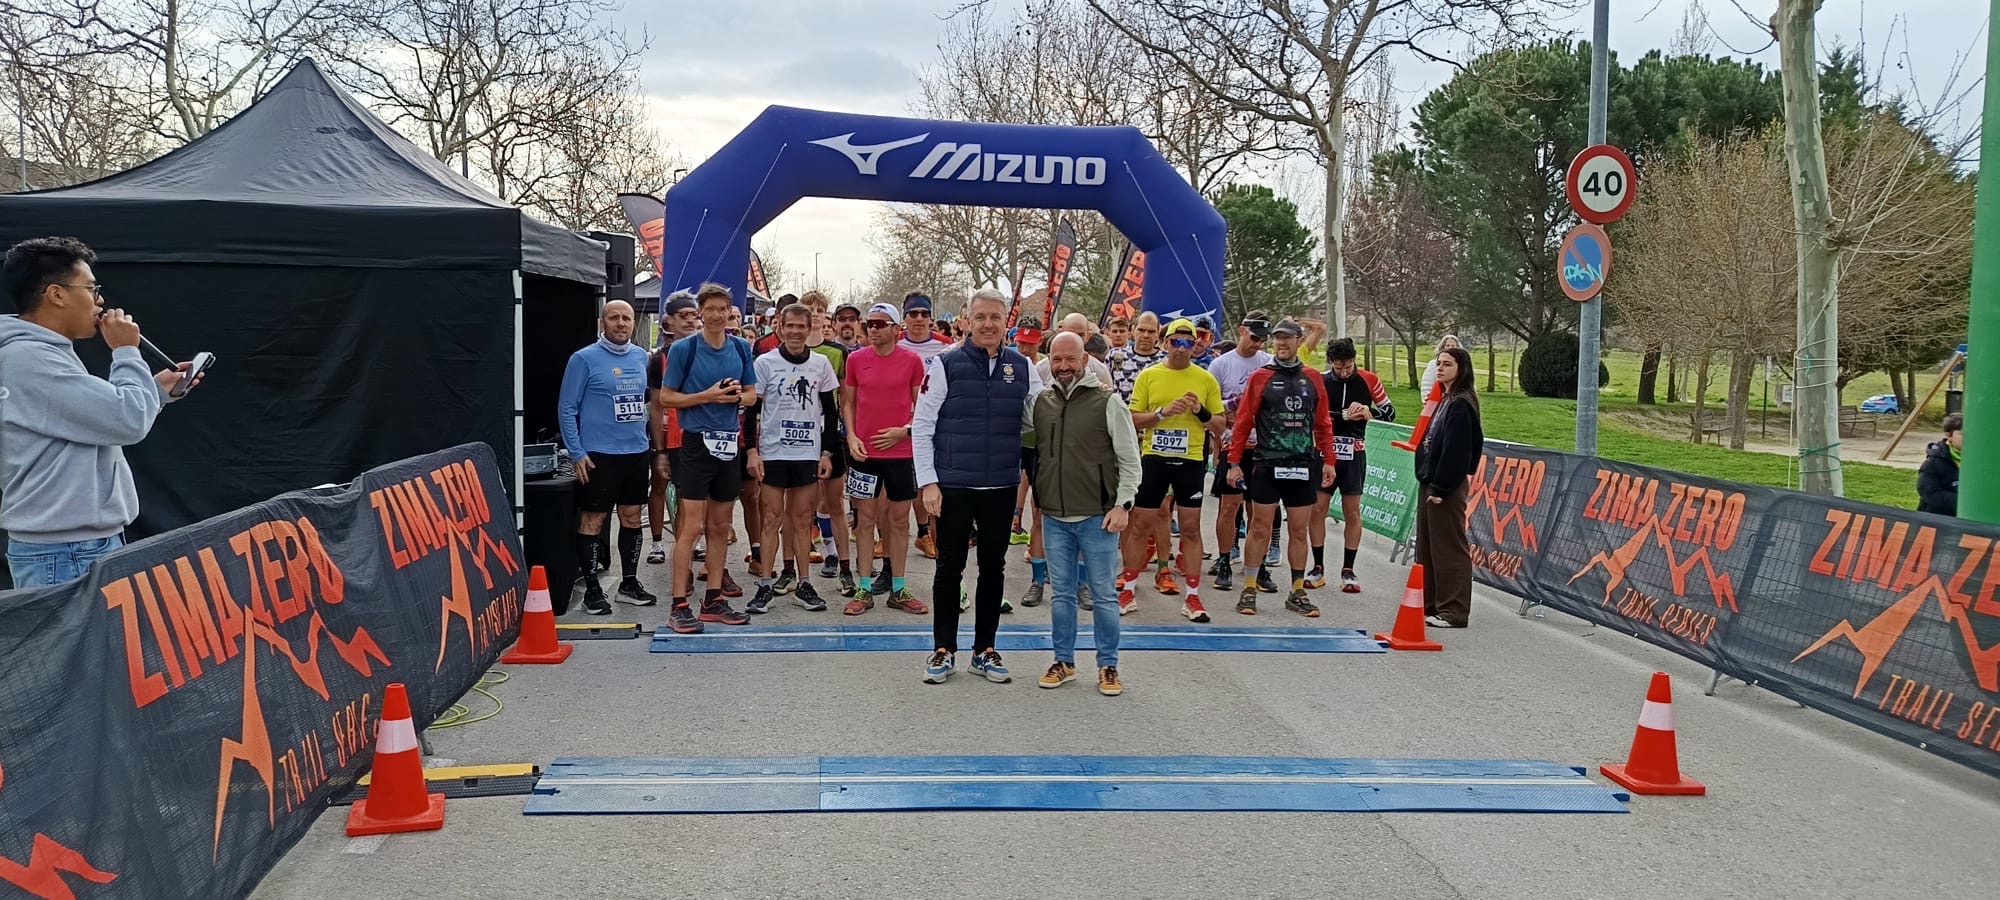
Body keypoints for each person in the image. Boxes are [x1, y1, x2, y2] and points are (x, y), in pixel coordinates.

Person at [0, 237, 198, 588]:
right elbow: (127, 421)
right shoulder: (30, 359)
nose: (100, 301)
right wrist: (125, 352)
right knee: (77, 646)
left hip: (71, 544)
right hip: (66, 549)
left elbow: (95, 418)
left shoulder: (38, 354)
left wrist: (153, 391)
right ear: (57, 294)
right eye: (91, 288)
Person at [913, 288, 1043, 684]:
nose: (989, 324)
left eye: (996, 318)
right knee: (949, 569)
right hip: (953, 484)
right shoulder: (945, 364)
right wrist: (928, 482)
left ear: (1007, 323)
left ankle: (985, 649)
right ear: (968, 321)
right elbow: (922, 425)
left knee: (993, 569)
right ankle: (943, 649)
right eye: (981, 317)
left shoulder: (1022, 367)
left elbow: (1045, 416)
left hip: (1001, 484)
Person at [1030, 332, 1140, 696]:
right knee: (1061, 595)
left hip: (1098, 517)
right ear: (1049, 360)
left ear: (1085, 361)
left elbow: (1129, 460)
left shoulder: (1108, 403)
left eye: (1070, 359)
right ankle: (1064, 661)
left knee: (1105, 595)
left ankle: (1108, 665)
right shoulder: (1041, 403)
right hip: (1055, 517)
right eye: (1057, 359)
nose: (1063, 366)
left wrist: (1123, 504)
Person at [659, 283, 761, 632]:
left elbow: (751, 394)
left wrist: (734, 398)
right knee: (692, 526)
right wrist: (707, 397)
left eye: (723, 309)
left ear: (732, 313)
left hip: (728, 444)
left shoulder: (741, 347)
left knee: (720, 525)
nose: (717, 315)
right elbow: (667, 398)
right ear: (700, 313)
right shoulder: (685, 349)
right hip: (696, 444)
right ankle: (679, 605)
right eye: (710, 309)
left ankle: (714, 599)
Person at [1225, 319, 1336, 617]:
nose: (1282, 344)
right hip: (1267, 463)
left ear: (1299, 340)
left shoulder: (1313, 377)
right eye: (1277, 339)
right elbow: (1243, 422)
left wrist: (1329, 461)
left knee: (1299, 530)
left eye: (1287, 339)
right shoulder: (1261, 377)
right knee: (1259, 528)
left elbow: (1324, 423)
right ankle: (1249, 589)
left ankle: (1297, 591)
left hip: (1302, 465)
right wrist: (1234, 463)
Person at [555, 299, 660, 615]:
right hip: (599, 455)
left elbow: (650, 403)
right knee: (594, 520)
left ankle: (629, 583)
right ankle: (592, 590)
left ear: (632, 323)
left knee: (631, 518)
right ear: (603, 322)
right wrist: (577, 452)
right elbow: (567, 407)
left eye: (626, 318)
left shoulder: (643, 357)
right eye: (613, 317)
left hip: (636, 452)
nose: (620, 323)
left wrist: (655, 447)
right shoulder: (583, 359)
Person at [1118, 318, 1224, 622]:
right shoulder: (1149, 376)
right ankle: (1128, 588)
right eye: (1175, 341)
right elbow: (1133, 418)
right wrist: (1162, 413)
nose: (1181, 347)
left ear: (1195, 345)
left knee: (1190, 528)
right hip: (1154, 458)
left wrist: (1199, 411)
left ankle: (1192, 597)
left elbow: (1219, 425)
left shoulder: (1205, 380)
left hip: (1190, 461)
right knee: (1140, 525)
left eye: (1187, 342)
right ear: (1165, 343)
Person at [744, 303, 840, 614]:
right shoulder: (764, 363)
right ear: (780, 328)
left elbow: (831, 412)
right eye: (791, 326)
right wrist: (752, 451)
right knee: (771, 519)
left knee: (801, 521)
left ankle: (803, 584)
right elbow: (751, 413)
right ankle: (765, 585)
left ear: (810, 327)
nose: (796, 331)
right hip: (773, 453)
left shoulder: (822, 364)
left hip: (807, 454)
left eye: (802, 326)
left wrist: (826, 453)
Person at [843, 303, 930, 616]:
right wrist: (851, 436)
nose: (874, 329)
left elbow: (923, 406)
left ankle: (898, 587)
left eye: (881, 324)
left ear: (896, 328)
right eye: (870, 324)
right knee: (864, 521)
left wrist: (904, 431)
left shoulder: (912, 361)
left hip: (901, 453)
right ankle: (863, 587)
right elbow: (848, 402)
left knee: (897, 521)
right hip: (864, 453)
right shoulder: (855, 359)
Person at [1313, 337, 1395, 592]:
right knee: (1318, 510)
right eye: (1338, 367)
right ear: (1331, 364)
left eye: (1348, 366)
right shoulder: (1323, 381)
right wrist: (1344, 415)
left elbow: (1391, 412)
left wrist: (1369, 412)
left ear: (1354, 360)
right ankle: (1317, 567)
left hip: (1354, 454)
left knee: (1353, 512)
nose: (1344, 371)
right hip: (1325, 452)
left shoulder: (1369, 380)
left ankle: (1348, 570)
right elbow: (1313, 414)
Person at [1413, 346, 1483, 629]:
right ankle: (1429, 603)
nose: (1440, 368)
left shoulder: (1461, 403)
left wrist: (1441, 489)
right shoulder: (1445, 399)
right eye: (1438, 363)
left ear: (1461, 368)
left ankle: (1453, 610)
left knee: (1448, 547)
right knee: (1428, 547)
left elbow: (1459, 450)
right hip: (1430, 480)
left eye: (1447, 364)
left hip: (1445, 487)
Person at [1204, 312, 1273, 591]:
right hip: (1234, 444)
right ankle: (1223, 559)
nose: (1258, 344)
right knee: (1229, 506)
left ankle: (1259, 564)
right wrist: (1237, 405)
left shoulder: (1268, 363)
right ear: (1243, 331)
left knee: (1261, 509)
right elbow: (1212, 408)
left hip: (1264, 446)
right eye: (1254, 338)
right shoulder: (1221, 365)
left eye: (1263, 340)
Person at [800, 294, 857, 595]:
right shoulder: (790, 351)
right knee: (803, 503)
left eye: (820, 310)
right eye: (810, 310)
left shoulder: (837, 352)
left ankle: (838, 558)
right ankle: (800, 566)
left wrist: (847, 429)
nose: (816, 315)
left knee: (833, 500)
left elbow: (844, 397)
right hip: (797, 436)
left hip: (830, 434)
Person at [645, 291, 702, 565]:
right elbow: (656, 406)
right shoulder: (659, 359)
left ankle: (685, 550)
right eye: (684, 316)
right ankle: (657, 543)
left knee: (685, 495)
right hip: (669, 435)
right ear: (669, 320)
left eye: (694, 315)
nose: (690, 321)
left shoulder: (708, 351)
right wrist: (658, 449)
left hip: (696, 436)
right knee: (659, 486)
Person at [899, 291, 953, 561]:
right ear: (904, 317)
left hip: (936, 424)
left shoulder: (945, 345)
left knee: (930, 482)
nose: (919, 319)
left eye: (924, 314)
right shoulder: (896, 345)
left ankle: (929, 534)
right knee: (908, 484)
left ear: (931, 318)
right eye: (913, 314)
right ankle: (916, 533)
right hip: (902, 424)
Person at [1107, 311, 1167, 401]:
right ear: (1133, 330)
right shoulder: (1116, 355)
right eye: (1141, 330)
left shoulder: (1166, 360)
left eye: (1151, 332)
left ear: (1158, 333)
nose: (1146, 335)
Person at [1918, 413, 1962, 517]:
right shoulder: (1934, 462)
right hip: (1937, 521)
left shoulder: (1984, 460)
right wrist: (1966, 502)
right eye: (1963, 434)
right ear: (1948, 435)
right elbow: (1930, 493)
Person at [1418, 334, 1462, 399]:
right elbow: (1427, 385)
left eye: (1453, 346)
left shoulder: (1462, 364)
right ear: (1442, 347)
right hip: (1437, 401)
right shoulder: (1433, 364)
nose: (1450, 347)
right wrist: (1428, 401)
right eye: (1448, 345)